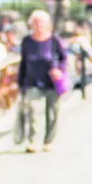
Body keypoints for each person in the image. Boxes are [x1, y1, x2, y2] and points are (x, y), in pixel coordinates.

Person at [15, 10, 65, 153]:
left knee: (53, 112)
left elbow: (63, 58)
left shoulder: (54, 41)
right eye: (35, 22)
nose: (38, 25)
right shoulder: (27, 41)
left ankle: (48, 141)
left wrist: (59, 70)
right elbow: (23, 62)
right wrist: (20, 82)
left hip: (52, 82)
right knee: (33, 111)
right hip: (32, 81)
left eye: (41, 22)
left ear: (48, 24)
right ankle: (33, 141)